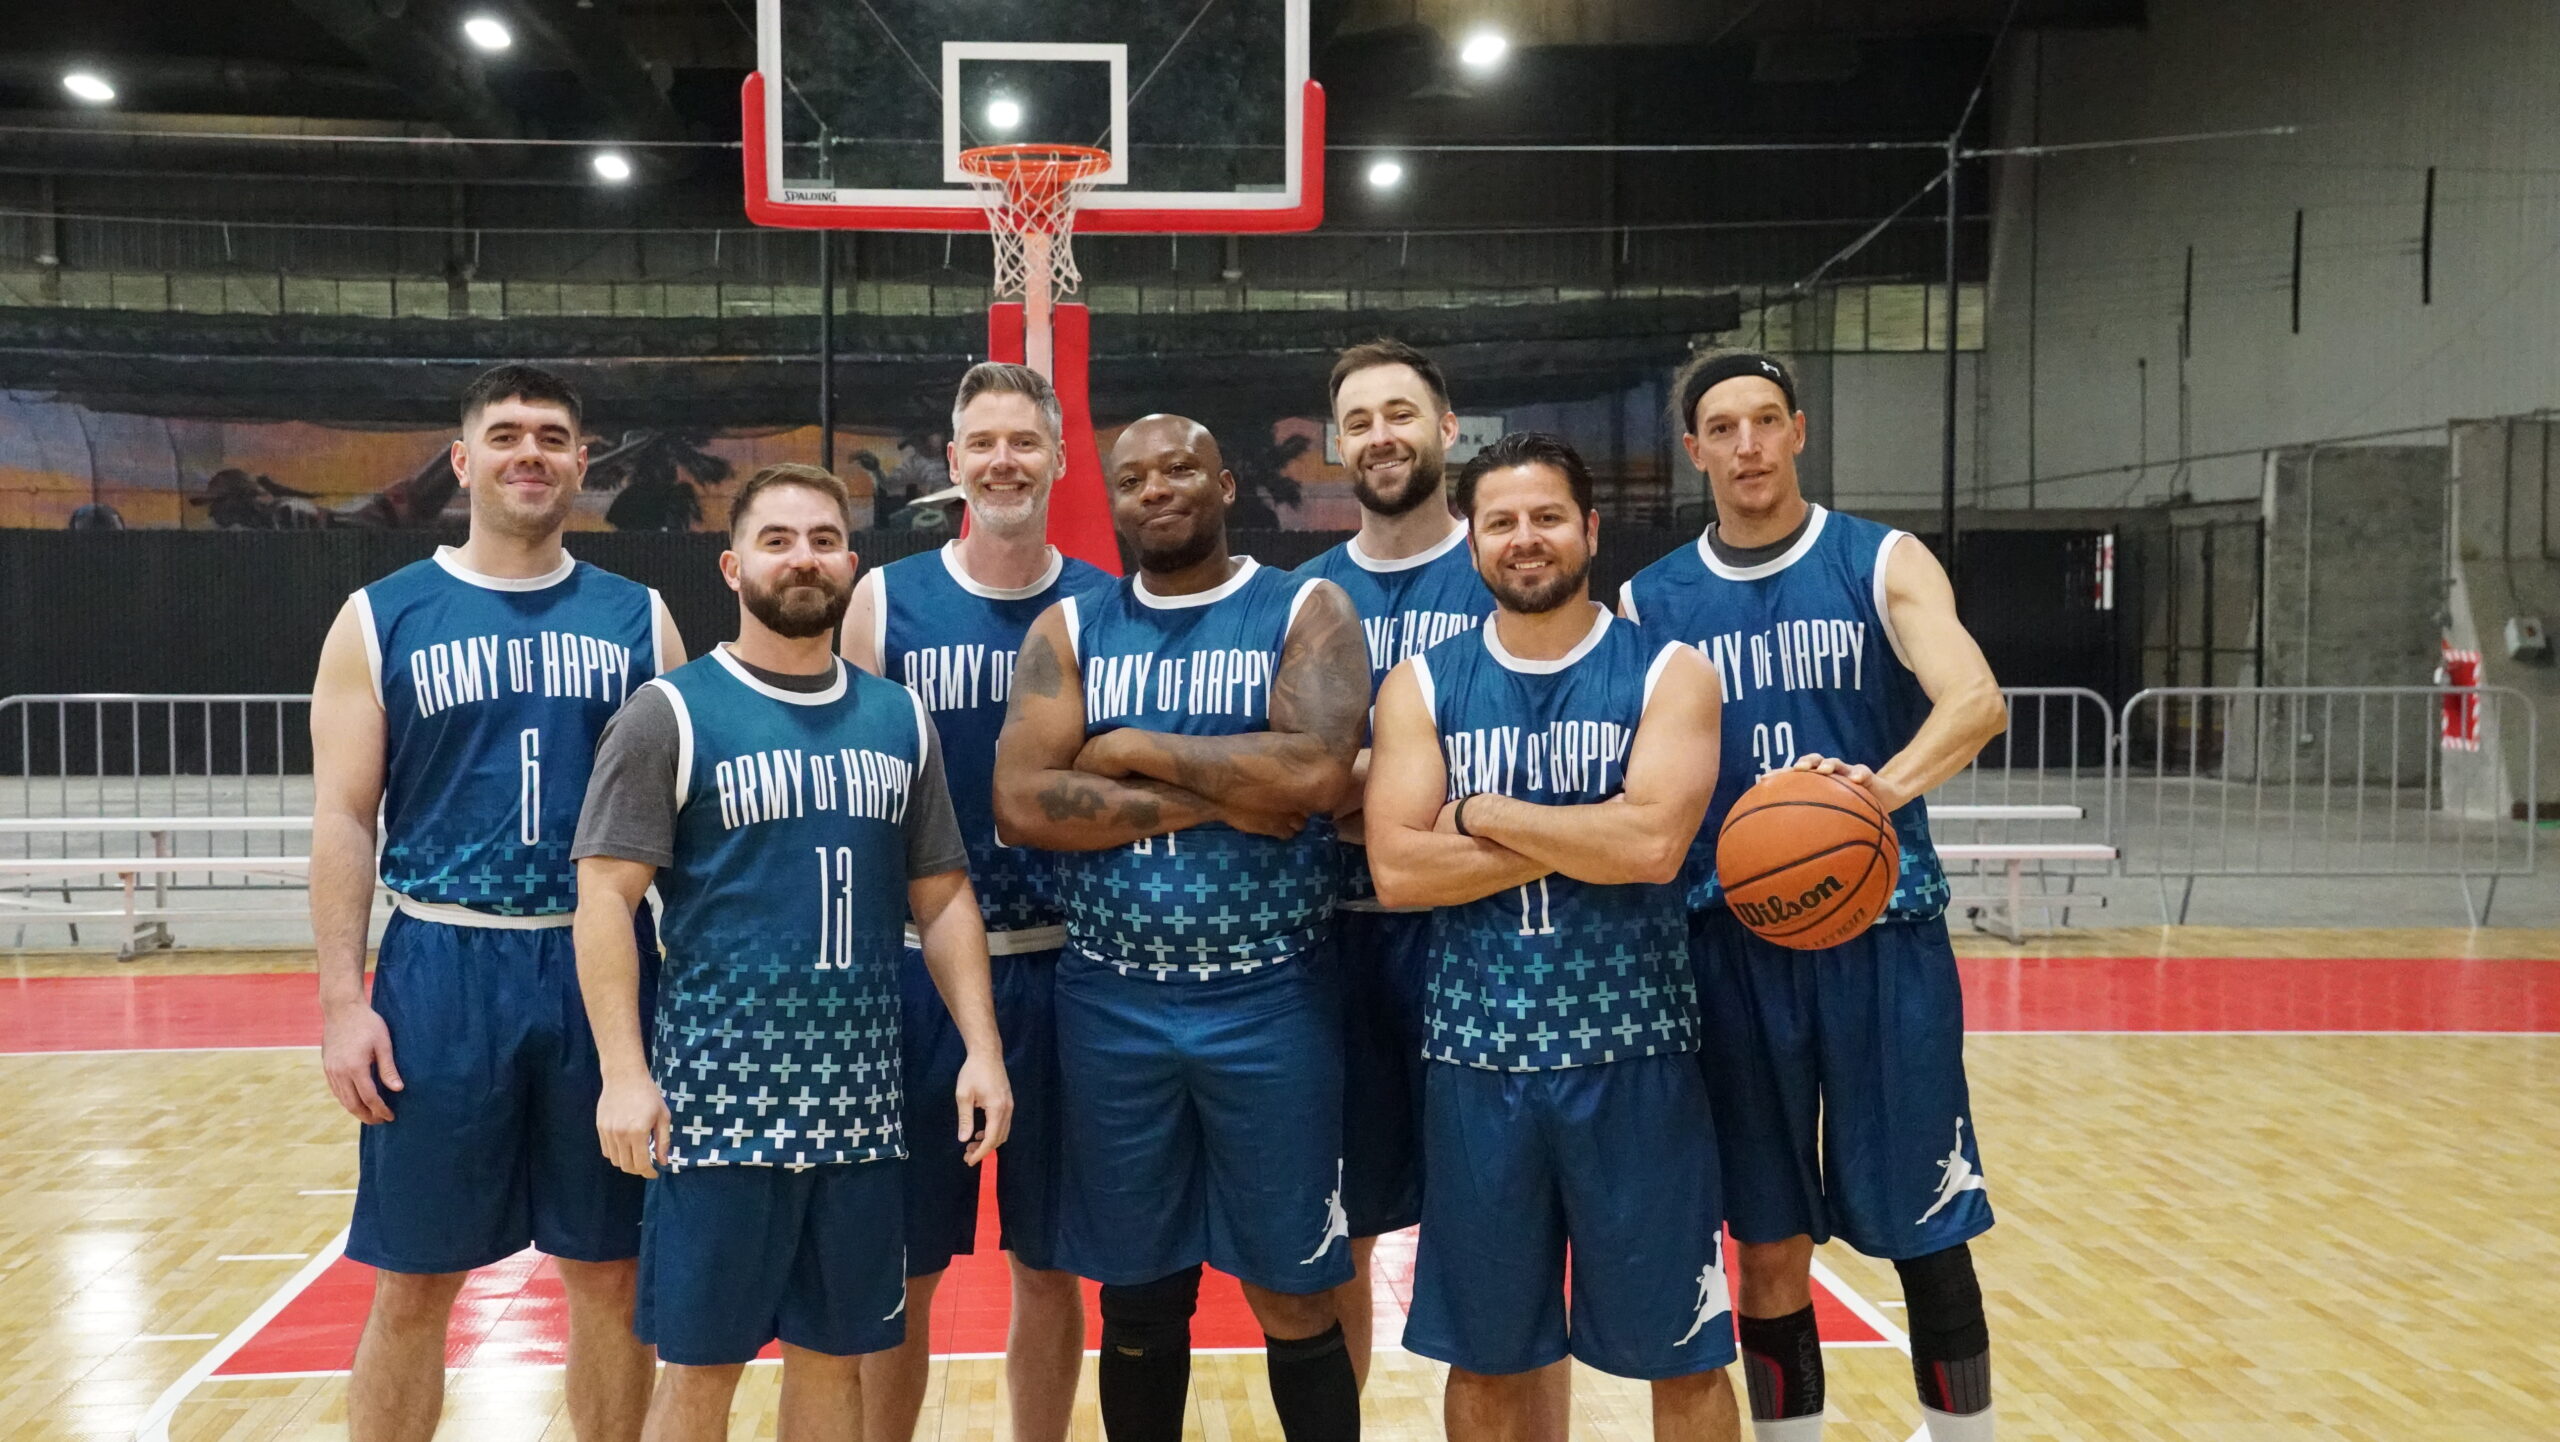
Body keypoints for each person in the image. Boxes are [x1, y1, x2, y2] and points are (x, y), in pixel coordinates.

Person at [569, 462, 1012, 1441]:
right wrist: (621, 1072)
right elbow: (605, 897)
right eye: (776, 539)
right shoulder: (669, 712)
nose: (801, 556)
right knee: (698, 1377)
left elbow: (940, 899)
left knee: (835, 1368)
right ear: (732, 565)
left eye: (821, 538)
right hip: (719, 1117)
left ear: (851, 562)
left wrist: (980, 1046)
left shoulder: (900, 718)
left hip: (862, 1113)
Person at [1621, 350, 2008, 1442]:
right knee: (1769, 1237)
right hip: (1730, 941)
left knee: (1925, 1218)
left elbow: (1973, 699)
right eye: (1721, 428)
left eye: (1763, 421)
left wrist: (1876, 791)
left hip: (1880, 936)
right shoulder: (1651, 599)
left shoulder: (1877, 558)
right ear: (1693, 450)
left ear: (1797, 430)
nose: (1745, 445)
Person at [310, 363, 683, 1442]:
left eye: (554, 436)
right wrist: (343, 1000)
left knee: (611, 1272)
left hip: (599, 967)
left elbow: (683, 816)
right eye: (508, 434)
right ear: (464, 462)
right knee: (414, 1279)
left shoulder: (638, 616)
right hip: (440, 964)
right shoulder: (379, 616)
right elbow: (343, 818)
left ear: (582, 463)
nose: (532, 451)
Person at [992, 415, 1371, 1442]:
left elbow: (1320, 773)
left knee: (1293, 1289)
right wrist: (1222, 792)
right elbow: (1024, 800)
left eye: (1179, 468)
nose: (1155, 488)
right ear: (1111, 500)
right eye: (1132, 477)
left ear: (1225, 480)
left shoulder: (1306, 604)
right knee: (1139, 1290)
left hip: (1272, 991)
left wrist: (1129, 747)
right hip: (1111, 998)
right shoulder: (1068, 628)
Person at [1367, 431, 1738, 1442]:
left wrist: (1483, 810)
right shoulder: (1420, 685)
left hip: (1637, 1063)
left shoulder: (1669, 671)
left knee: (1686, 1355)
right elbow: (1398, 869)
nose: (1523, 539)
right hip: (1476, 1067)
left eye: (1544, 517)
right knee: (1485, 1364)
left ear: (1589, 528)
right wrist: (1589, 828)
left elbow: (1656, 843)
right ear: (1472, 543)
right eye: (1499, 522)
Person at [842, 364, 1112, 1442]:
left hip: (1063, 963)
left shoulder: (1100, 605)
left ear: (1055, 459)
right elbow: (853, 790)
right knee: (899, 1265)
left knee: (1050, 1264)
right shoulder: (886, 599)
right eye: (982, 441)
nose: (1004, 458)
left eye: (1024, 440)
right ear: (953, 463)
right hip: (913, 969)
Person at [1292, 339, 1503, 1392]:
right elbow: (1293, 780)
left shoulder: (1503, 564)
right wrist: (1414, 784)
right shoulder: (1300, 596)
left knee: (1500, 1247)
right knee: (1344, 1239)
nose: (1380, 434)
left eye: (1400, 412)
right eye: (1359, 419)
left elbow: (1535, 761)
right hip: (1332, 944)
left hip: (1480, 939)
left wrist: (1359, 776)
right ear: (1340, 444)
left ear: (1447, 425)